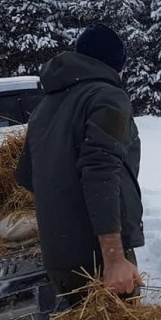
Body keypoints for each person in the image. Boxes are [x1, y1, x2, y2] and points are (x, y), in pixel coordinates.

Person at [16, 24, 144, 305]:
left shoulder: (45, 107)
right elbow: (100, 169)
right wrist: (114, 258)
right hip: (98, 259)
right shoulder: (108, 96)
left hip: (59, 257)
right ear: (116, 63)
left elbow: (27, 175)